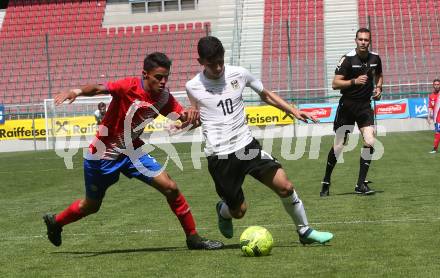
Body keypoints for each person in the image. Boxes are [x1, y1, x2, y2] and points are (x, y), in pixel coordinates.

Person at [43, 52, 223, 250]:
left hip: (132, 151)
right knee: (91, 206)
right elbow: (98, 88)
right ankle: (56, 222)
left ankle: (193, 238)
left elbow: (183, 118)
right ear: (145, 74)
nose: (163, 82)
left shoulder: (164, 98)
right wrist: (75, 91)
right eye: (158, 77)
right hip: (102, 156)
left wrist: (191, 117)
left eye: (166, 77)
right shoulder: (128, 86)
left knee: (170, 187)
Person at [185, 36, 333, 245]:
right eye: (212, 64)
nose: (218, 67)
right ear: (201, 62)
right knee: (239, 211)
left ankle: (305, 232)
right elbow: (197, 118)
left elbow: (266, 94)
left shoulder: (239, 73)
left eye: (220, 61)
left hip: (247, 147)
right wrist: (184, 122)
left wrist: (293, 110)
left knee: (285, 186)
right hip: (220, 156)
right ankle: (224, 210)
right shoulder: (193, 86)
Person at [320, 28, 383, 197]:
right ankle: (326, 181)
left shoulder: (375, 58)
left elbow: (379, 75)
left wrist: (378, 88)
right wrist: (354, 81)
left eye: (366, 40)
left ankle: (360, 184)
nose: (363, 42)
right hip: (347, 107)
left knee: (370, 140)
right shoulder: (347, 59)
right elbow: (335, 84)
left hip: (364, 106)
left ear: (370, 41)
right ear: (355, 40)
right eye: (360, 39)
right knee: (339, 146)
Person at [427, 78, 440, 154]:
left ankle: (434, 149)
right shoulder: (431, 96)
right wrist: (428, 116)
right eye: (435, 84)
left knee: (438, 133)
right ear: (433, 85)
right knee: (438, 133)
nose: (436, 86)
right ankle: (435, 149)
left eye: (438, 84)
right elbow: (430, 107)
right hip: (437, 118)